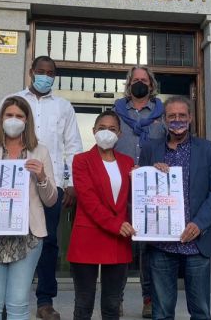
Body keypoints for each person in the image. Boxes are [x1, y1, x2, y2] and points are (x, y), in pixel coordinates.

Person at [0, 56, 83, 320]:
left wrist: (70, 184)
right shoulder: (12, 102)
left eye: (50, 73)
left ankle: (45, 301)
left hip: (48, 185)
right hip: (12, 186)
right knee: (7, 236)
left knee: (49, 243)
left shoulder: (64, 107)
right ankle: (7, 300)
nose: (45, 76)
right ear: (31, 72)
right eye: (40, 71)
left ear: (55, 76)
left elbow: (72, 147)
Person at [139, 95, 211, 320]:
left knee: (200, 312)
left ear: (191, 118)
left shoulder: (208, 149)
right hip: (162, 245)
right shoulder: (150, 149)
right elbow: (140, 189)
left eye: (182, 116)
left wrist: (200, 223)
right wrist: (149, 174)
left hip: (196, 243)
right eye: (172, 116)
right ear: (164, 120)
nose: (177, 120)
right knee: (161, 312)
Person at [0, 96, 58, 320]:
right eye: (9, 115)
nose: (14, 120)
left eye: (19, 116)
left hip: (27, 237)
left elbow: (50, 200)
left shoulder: (40, 152)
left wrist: (41, 176)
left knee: (19, 303)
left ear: (27, 121)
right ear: (1, 119)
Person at [68, 110, 135, 320]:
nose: (107, 132)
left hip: (117, 241)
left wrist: (149, 176)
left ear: (120, 134)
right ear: (93, 131)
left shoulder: (127, 162)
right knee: (83, 304)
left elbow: (136, 197)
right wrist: (116, 224)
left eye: (112, 129)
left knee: (112, 305)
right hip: (88, 237)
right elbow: (88, 201)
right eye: (102, 128)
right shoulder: (81, 161)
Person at [112, 65, 165, 318]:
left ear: (151, 85)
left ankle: (149, 299)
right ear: (129, 84)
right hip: (119, 187)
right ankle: (116, 298)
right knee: (120, 244)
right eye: (136, 80)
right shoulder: (116, 113)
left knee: (147, 247)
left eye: (144, 80)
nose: (140, 83)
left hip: (151, 189)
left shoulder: (163, 115)